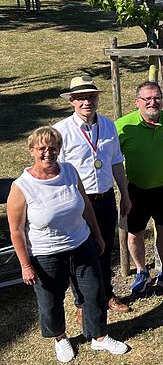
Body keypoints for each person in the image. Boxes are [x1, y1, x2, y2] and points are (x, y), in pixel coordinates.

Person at [7, 127, 129, 363]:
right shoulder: (22, 187)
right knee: (50, 299)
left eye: (53, 148)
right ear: (31, 150)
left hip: (81, 243)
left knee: (94, 291)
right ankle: (60, 338)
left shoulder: (70, 171)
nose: (48, 153)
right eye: (42, 148)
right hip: (46, 254)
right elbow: (16, 230)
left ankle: (99, 337)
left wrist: (97, 235)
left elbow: (85, 205)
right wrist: (25, 265)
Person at [53, 77, 131, 317]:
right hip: (77, 202)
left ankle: (107, 295)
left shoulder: (108, 126)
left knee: (105, 248)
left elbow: (117, 161)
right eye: (81, 98)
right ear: (72, 102)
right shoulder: (61, 131)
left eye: (91, 97)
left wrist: (125, 194)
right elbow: (57, 170)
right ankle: (81, 303)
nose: (87, 101)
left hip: (105, 197)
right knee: (79, 253)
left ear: (97, 99)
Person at [116, 81, 163, 295]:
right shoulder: (124, 126)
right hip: (135, 190)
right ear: (138, 102)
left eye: (157, 98)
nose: (153, 102)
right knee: (135, 233)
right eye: (147, 99)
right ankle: (141, 271)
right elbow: (112, 158)